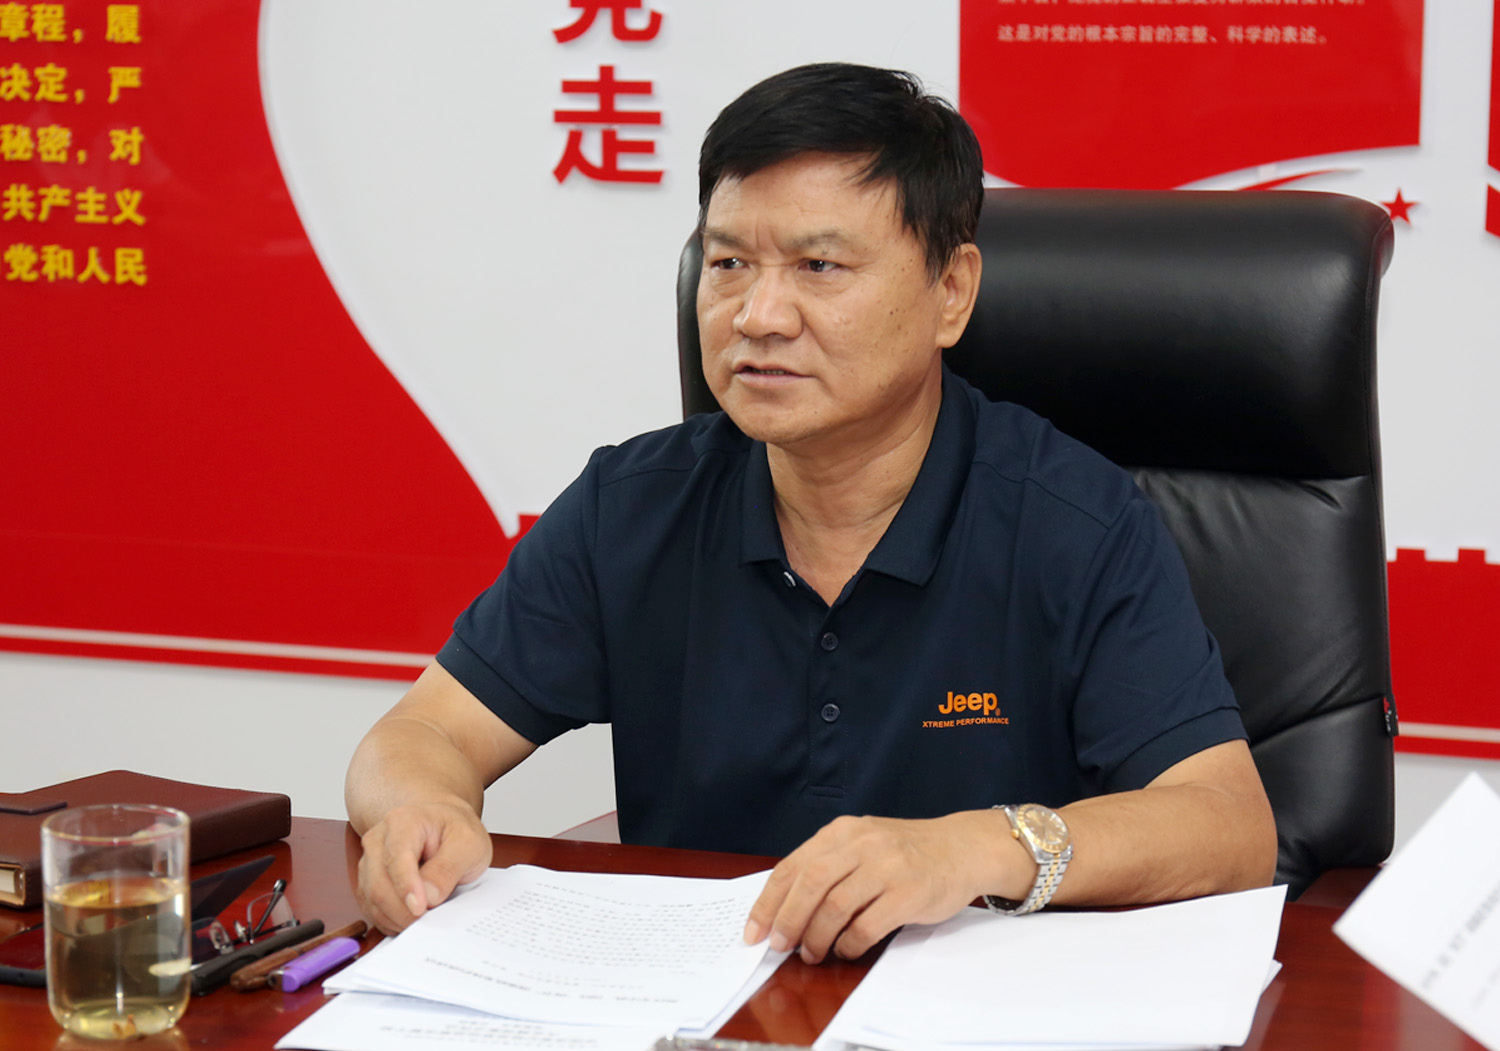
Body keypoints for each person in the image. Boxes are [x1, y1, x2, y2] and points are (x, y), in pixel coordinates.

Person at [346, 62, 1277, 964]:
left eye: (819, 264)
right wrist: (419, 810)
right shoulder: (630, 507)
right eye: (728, 262)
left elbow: (1229, 825)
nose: (759, 315)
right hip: (699, 1006)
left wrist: (972, 848)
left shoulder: (1073, 519)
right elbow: (423, 734)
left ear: (951, 291)